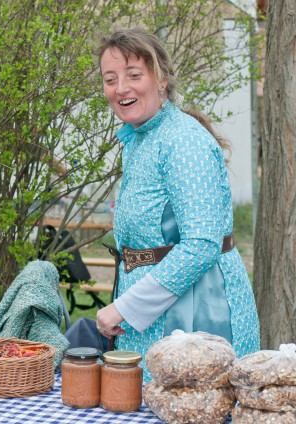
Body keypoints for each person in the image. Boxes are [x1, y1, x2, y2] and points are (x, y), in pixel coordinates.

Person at [93, 28, 260, 381]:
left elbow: (202, 244)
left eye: (134, 75)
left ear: (162, 79)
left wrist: (125, 307)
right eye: (110, 79)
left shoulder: (183, 141)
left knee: (190, 405)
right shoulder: (142, 137)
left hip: (198, 313)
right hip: (154, 314)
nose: (120, 88)